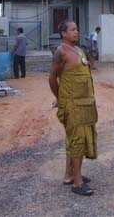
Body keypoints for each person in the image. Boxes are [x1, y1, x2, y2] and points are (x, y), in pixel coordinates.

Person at [49, 20, 97, 196]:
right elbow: (52, 78)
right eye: (72, 29)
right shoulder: (61, 52)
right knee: (77, 141)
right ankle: (78, 183)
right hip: (72, 105)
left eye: (77, 29)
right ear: (63, 33)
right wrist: (60, 98)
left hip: (84, 103)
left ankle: (69, 175)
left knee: (73, 140)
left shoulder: (78, 50)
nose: (76, 32)